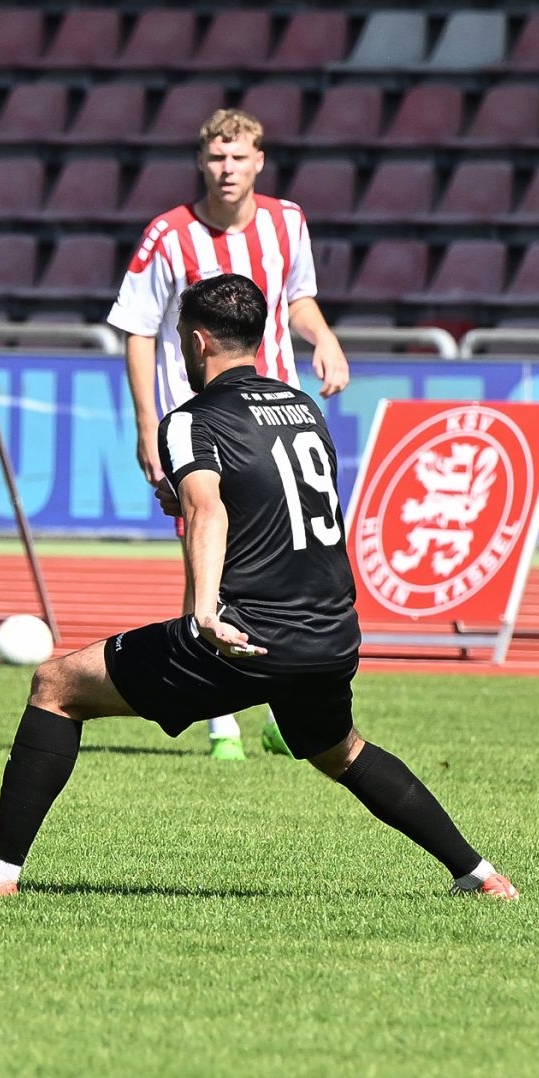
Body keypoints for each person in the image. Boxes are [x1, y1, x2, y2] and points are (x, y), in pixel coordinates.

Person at [0, 274, 517, 901]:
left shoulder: (191, 419)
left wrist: (205, 610)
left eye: (181, 336)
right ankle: (480, 875)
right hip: (330, 628)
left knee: (56, 686)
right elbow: (272, 501)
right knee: (340, 751)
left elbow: (207, 510)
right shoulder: (301, 406)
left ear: (198, 340)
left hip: (247, 633)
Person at [110, 108, 351, 762]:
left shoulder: (287, 222)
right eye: (217, 157)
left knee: (278, 560)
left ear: (259, 161)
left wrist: (325, 339)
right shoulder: (168, 235)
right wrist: (146, 422)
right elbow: (138, 328)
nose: (227, 169)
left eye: (239, 157)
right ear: (201, 161)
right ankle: (221, 721)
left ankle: (276, 704)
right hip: (203, 421)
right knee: (207, 548)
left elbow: (297, 298)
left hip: (274, 417)